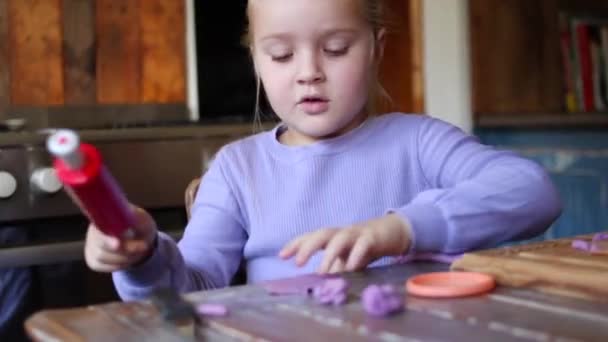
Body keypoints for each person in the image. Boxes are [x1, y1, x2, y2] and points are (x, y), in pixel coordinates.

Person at [84, 0, 562, 301]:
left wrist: (403, 228)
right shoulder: (236, 168)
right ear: (256, 62)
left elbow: (532, 191)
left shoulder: (418, 142)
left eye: (335, 48)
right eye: (282, 55)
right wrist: (144, 257)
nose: (308, 71)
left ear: (375, 48)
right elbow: (191, 286)